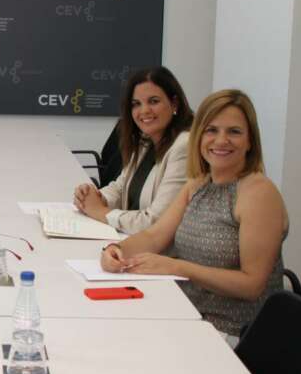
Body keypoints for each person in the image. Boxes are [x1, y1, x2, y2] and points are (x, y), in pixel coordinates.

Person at [100, 89, 287, 346]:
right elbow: (156, 236)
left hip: (234, 332)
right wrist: (115, 249)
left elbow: (252, 284)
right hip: (187, 312)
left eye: (234, 131)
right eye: (211, 130)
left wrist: (177, 267)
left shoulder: (258, 193)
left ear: (250, 141)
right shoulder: (198, 183)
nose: (221, 141)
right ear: (198, 136)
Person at [73, 67, 194, 234]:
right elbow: (120, 187)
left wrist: (100, 212)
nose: (144, 111)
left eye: (153, 101)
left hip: (160, 253)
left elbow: (155, 222)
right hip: (127, 238)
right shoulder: (146, 140)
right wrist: (94, 197)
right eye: (136, 104)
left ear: (174, 103)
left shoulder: (184, 147)